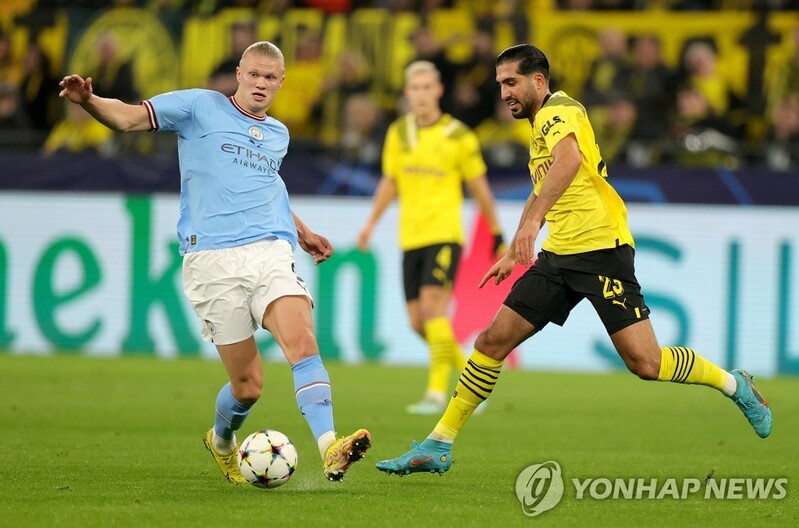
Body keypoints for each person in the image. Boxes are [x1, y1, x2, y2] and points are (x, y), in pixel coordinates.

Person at [375, 44, 772, 477]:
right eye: (500, 84)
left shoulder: (558, 110)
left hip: (602, 251)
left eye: (511, 82)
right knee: (490, 341)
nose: (504, 92)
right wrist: (516, 247)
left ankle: (735, 385)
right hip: (559, 256)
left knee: (647, 363)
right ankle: (439, 443)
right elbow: (544, 183)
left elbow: (569, 160)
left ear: (538, 81)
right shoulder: (538, 127)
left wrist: (531, 226)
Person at [58, 40, 371, 484]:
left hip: (269, 249)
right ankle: (222, 439)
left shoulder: (278, 134)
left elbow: (267, 183)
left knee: (301, 340)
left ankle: (330, 448)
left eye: (270, 78)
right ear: (240, 74)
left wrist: (301, 232)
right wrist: (89, 100)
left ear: (281, 82)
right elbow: (127, 117)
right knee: (248, 386)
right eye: (254, 75)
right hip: (210, 258)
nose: (261, 84)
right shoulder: (198, 107)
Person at [357, 60, 505, 415]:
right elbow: (390, 181)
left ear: (438, 90)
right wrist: (370, 224)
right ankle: (474, 381)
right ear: (407, 93)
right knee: (417, 322)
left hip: (444, 234)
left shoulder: (459, 136)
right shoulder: (398, 133)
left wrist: (498, 232)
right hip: (411, 237)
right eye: (415, 88)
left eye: (427, 87)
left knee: (433, 310)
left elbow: (479, 187)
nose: (421, 95)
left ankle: (439, 395)